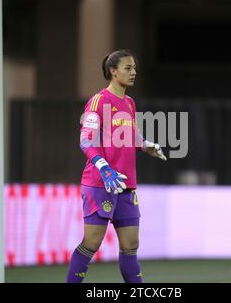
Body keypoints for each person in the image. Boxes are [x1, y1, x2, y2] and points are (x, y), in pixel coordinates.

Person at [66, 49, 166, 283]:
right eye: (128, 68)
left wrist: (146, 146)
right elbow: (86, 141)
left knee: (131, 245)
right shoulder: (98, 101)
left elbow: (131, 136)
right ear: (113, 71)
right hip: (101, 183)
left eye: (134, 68)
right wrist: (104, 168)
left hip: (126, 185)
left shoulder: (129, 103)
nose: (133, 73)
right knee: (91, 243)